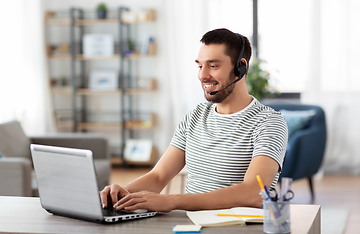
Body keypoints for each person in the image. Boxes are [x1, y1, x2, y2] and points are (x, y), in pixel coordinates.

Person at [100, 28, 288, 212]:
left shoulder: (269, 123)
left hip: (238, 228)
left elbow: (254, 193)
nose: (202, 75)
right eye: (200, 66)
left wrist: (172, 201)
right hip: (191, 227)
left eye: (213, 66)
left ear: (241, 67)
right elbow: (158, 177)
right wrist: (123, 193)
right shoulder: (195, 117)